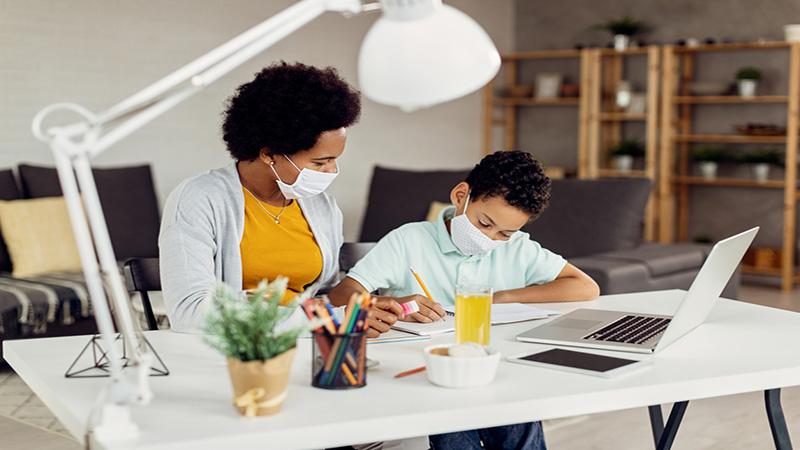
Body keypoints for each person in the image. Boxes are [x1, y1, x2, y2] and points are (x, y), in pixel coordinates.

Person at [328, 150, 600, 449]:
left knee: (516, 409)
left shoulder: (518, 249)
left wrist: (503, 297)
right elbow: (342, 295)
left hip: (492, 371)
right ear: (461, 196)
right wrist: (392, 304)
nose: (491, 239)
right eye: (484, 223)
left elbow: (585, 287)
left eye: (505, 233)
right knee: (453, 408)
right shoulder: (409, 240)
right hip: (426, 372)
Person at [159, 61, 369, 332]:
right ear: (268, 153)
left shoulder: (322, 206)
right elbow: (190, 312)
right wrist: (319, 318)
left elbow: (323, 297)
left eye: (334, 160)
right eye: (320, 162)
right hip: (236, 351)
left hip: (306, 342)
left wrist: (379, 307)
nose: (332, 171)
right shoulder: (199, 199)